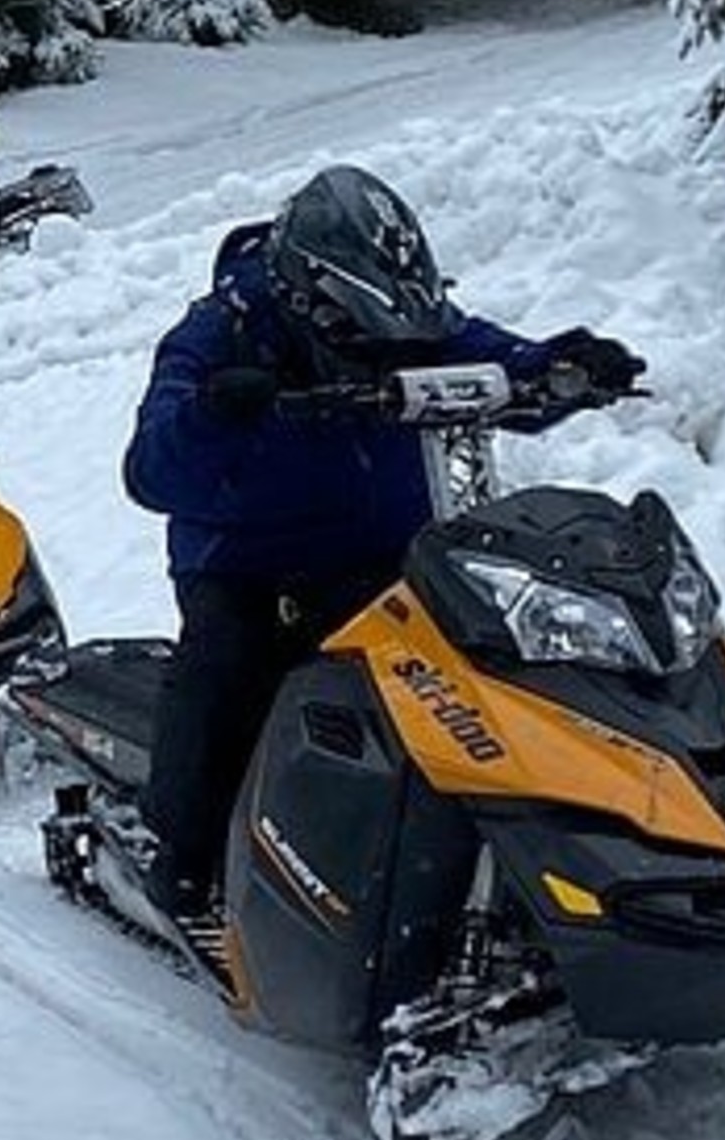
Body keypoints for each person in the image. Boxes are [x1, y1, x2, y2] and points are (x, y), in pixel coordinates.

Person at [121, 166, 643, 935]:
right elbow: (150, 471)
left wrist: (565, 370)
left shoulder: (409, 320)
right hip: (247, 559)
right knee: (230, 666)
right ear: (307, 296)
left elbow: (490, 365)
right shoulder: (221, 330)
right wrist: (216, 411)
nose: (383, 351)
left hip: (392, 552)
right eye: (360, 338)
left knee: (493, 666)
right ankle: (186, 851)